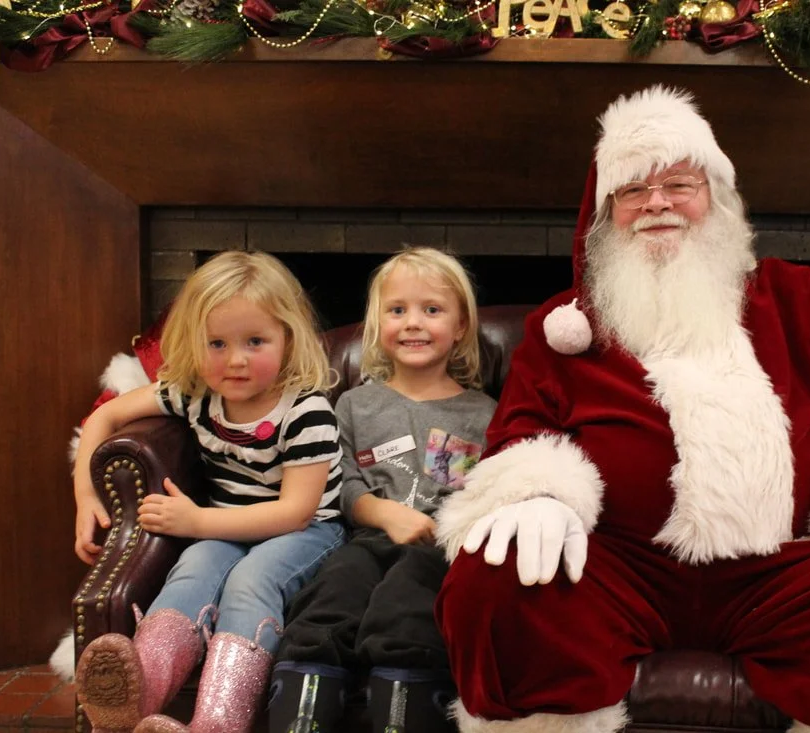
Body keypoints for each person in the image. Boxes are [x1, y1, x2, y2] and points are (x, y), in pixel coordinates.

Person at [433, 85, 810, 733]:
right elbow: (520, 428)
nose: (657, 203)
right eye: (634, 190)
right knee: (493, 579)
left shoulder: (803, 299)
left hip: (784, 568)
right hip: (616, 569)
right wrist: (536, 497)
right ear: (608, 213)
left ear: (717, 198)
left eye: (679, 183)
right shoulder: (565, 329)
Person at [71, 250, 347, 733]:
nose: (235, 360)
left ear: (288, 338)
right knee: (191, 571)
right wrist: (86, 497)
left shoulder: (307, 412)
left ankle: (218, 721)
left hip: (306, 533)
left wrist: (197, 521)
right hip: (226, 525)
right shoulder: (195, 393)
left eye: (255, 341)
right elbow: (105, 417)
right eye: (216, 343)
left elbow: (296, 512)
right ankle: (134, 701)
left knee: (250, 581)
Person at [268, 247, 497, 733]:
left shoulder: (485, 414)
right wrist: (385, 514)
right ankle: (302, 711)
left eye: (431, 310)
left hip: (440, 548)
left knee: (408, 607)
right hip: (367, 541)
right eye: (397, 311)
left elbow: (490, 491)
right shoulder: (354, 405)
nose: (413, 323)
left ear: (460, 327)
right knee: (331, 595)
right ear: (378, 325)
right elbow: (343, 484)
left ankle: (404, 708)